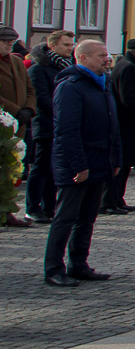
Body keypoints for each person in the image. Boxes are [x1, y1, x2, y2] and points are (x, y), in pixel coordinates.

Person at [42, 39, 120, 286]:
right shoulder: (70, 86)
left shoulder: (103, 83)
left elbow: (112, 124)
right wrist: (79, 165)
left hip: (100, 159)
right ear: (83, 58)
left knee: (87, 217)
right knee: (65, 218)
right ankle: (54, 268)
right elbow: (66, 130)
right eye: (100, 55)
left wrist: (116, 158)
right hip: (77, 164)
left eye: (107, 55)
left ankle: (79, 264)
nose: (106, 59)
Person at [27, 28, 76, 223]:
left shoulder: (68, 67)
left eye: (72, 45)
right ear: (52, 45)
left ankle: (50, 207)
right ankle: (32, 207)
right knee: (41, 168)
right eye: (66, 45)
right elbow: (42, 99)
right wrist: (66, 112)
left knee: (55, 169)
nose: (69, 49)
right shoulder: (38, 69)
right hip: (46, 125)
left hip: (63, 126)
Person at [106, 40, 135, 213]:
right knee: (122, 162)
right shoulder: (128, 68)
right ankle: (110, 201)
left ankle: (117, 199)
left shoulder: (125, 65)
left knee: (125, 164)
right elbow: (130, 98)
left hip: (127, 123)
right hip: (127, 123)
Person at [1, 36, 35, 227]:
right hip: (4, 121)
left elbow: (30, 89)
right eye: (4, 40)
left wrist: (29, 109)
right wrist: (15, 110)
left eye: (11, 41)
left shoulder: (15, 61)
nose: (8, 44)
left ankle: (7, 210)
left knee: (13, 168)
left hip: (19, 123)